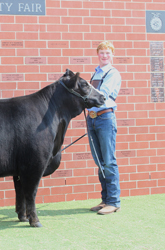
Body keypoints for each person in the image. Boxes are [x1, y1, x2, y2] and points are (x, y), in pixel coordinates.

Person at [87, 41, 122, 215]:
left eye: (108, 53)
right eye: (101, 53)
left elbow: (102, 94)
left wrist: (84, 96)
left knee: (109, 161)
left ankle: (114, 201)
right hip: (92, 119)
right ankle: (105, 200)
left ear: (112, 54)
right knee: (100, 162)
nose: (104, 56)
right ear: (98, 54)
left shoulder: (112, 73)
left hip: (105, 118)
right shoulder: (96, 72)